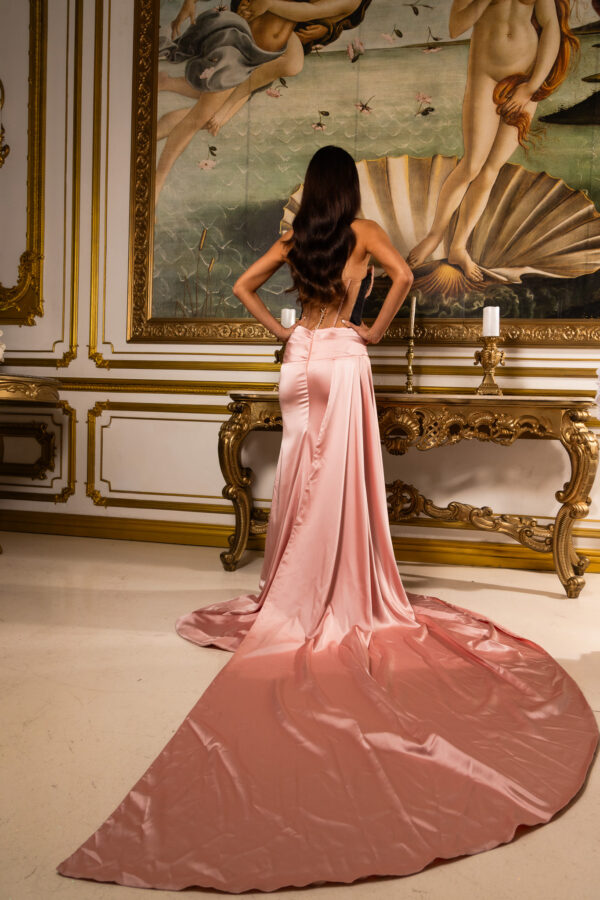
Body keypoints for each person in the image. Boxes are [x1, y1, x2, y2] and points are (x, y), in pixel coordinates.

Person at [56, 146, 597, 893]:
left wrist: (285, 333)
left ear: (312, 190)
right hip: (341, 355)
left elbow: (244, 286)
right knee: (336, 479)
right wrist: (370, 327)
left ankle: (289, 589)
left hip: (298, 359)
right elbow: (405, 276)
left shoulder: (294, 237)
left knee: (303, 475)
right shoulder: (367, 232)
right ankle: (330, 589)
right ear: (348, 190)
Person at [407, 0, 579, 281]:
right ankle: (435, 234)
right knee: (472, 165)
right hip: (485, 74)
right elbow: (455, 27)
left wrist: (532, 86)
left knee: (491, 169)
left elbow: (549, 27)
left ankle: (459, 247)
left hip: (523, 80)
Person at [155, 0, 371, 199]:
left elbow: (310, 14)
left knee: (207, 113)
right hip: (243, 49)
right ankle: (157, 183)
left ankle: (165, 91)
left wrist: (269, 5)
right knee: (198, 119)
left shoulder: (349, 2)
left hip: (265, 55)